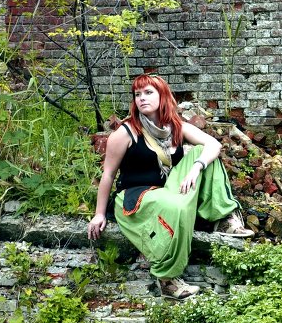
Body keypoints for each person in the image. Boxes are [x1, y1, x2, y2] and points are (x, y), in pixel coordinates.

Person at [87, 74, 252, 299]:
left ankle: (224, 220)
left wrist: (196, 168)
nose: (142, 98)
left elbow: (213, 144)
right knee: (176, 206)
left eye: (148, 93)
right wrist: (98, 214)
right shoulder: (125, 133)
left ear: (162, 95)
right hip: (136, 197)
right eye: (137, 94)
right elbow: (107, 175)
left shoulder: (175, 126)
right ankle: (167, 279)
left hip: (168, 190)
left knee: (200, 153)